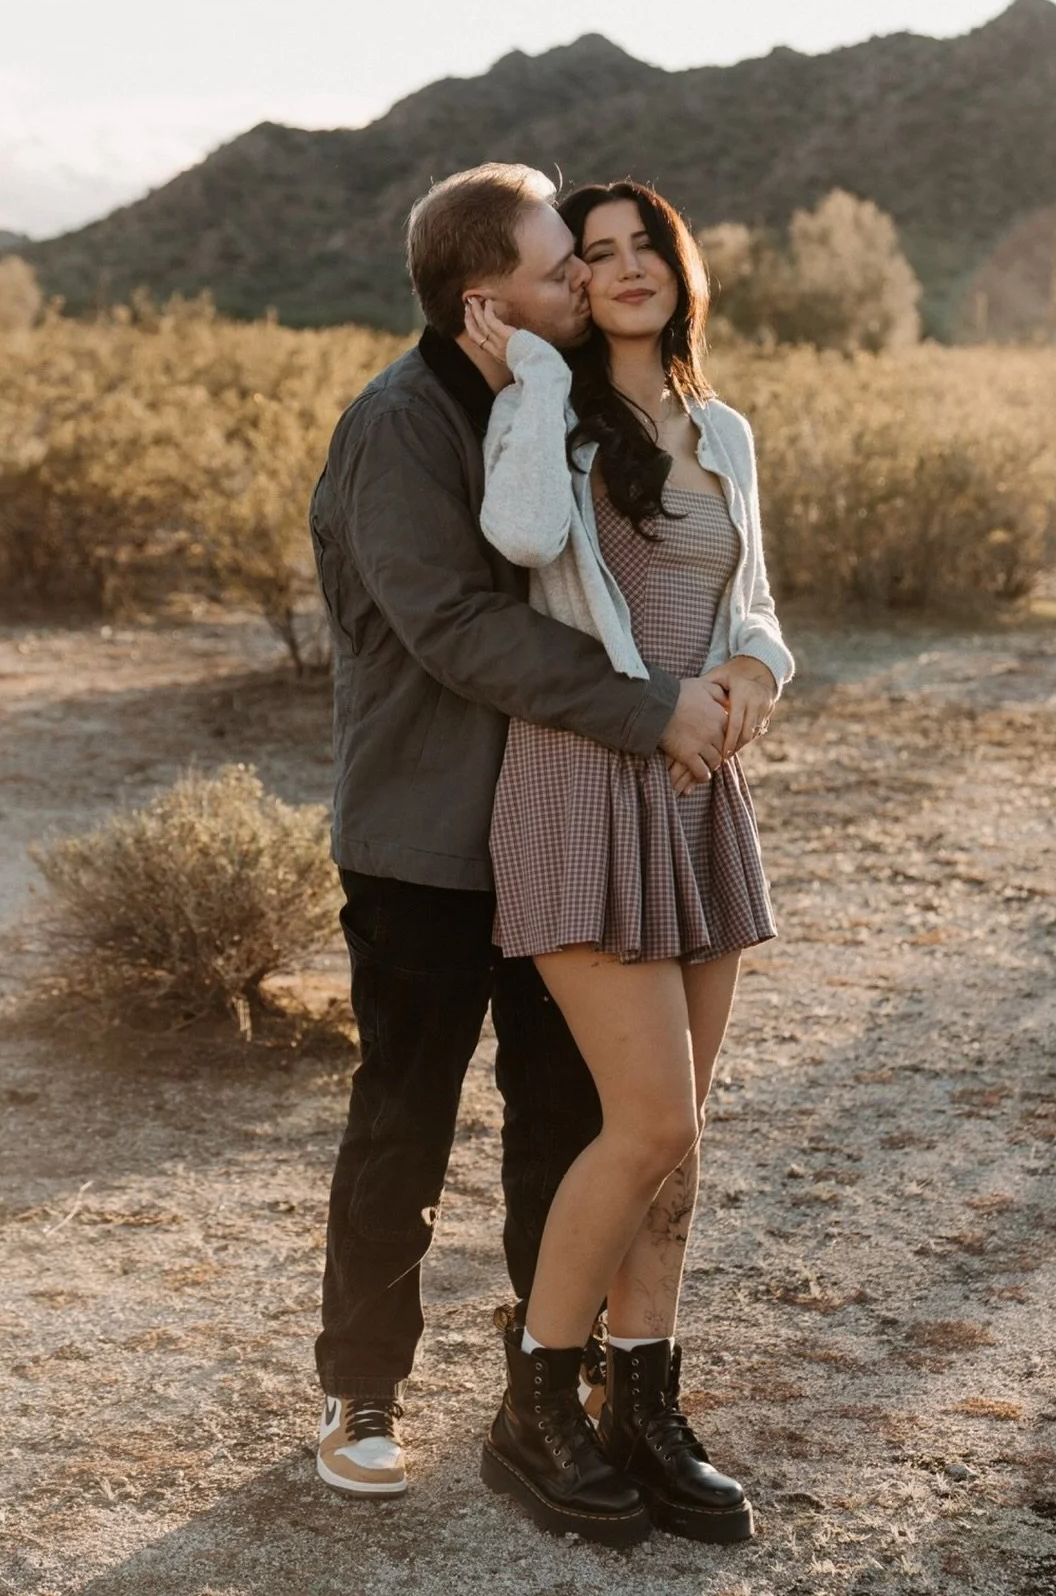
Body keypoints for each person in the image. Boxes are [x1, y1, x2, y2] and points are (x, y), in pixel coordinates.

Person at [307, 163, 732, 1500]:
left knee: (564, 1115)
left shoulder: (561, 407)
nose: (586, 283)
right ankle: (362, 1391)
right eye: (561, 270)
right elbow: (460, 631)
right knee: (406, 1115)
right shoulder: (398, 426)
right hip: (427, 835)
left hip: (559, 825)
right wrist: (650, 709)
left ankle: (542, 1386)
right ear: (487, 298)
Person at [467, 181, 792, 1546]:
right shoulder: (544, 419)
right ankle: (539, 1402)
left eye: (641, 244)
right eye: (590, 259)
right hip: (582, 788)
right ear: (571, 290)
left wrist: (741, 682)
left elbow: (763, 615)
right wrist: (534, 373)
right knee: (648, 1119)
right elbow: (526, 540)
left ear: (677, 263)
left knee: (683, 1142)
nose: (622, 268)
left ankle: (645, 1404)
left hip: (698, 792)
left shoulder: (720, 430)